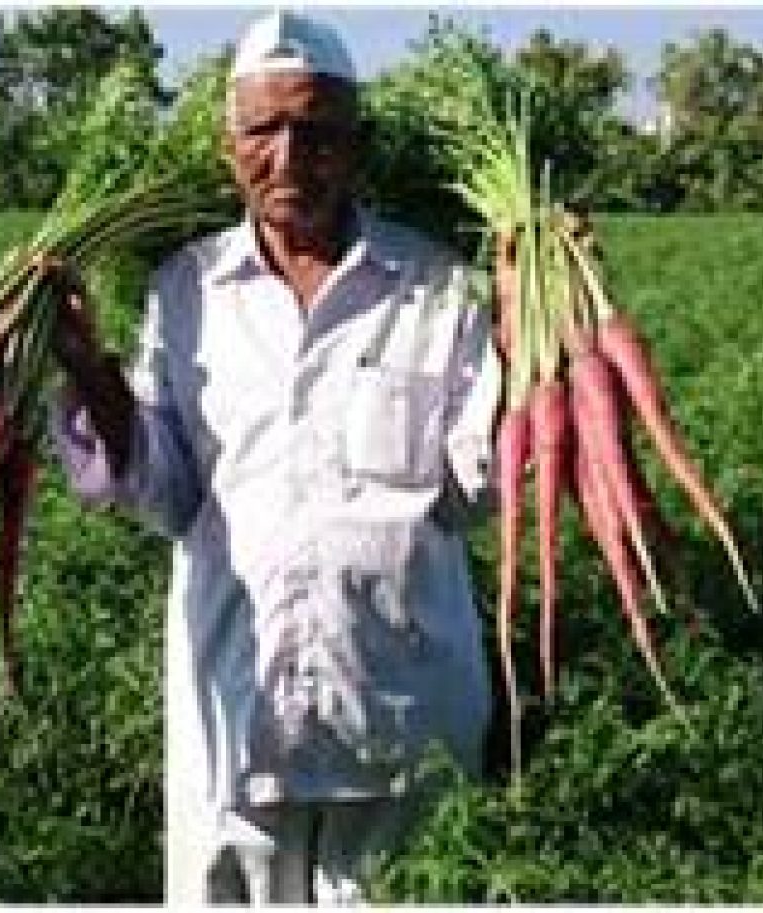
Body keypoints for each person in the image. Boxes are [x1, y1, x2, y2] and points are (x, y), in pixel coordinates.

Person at [49, 9, 501, 906]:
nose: (290, 157)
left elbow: (472, 492)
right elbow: (166, 492)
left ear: (357, 148)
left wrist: (530, 351)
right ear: (230, 149)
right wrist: (92, 373)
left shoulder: (440, 287)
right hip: (239, 706)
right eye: (263, 130)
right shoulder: (185, 291)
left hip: (400, 707)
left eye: (317, 132)